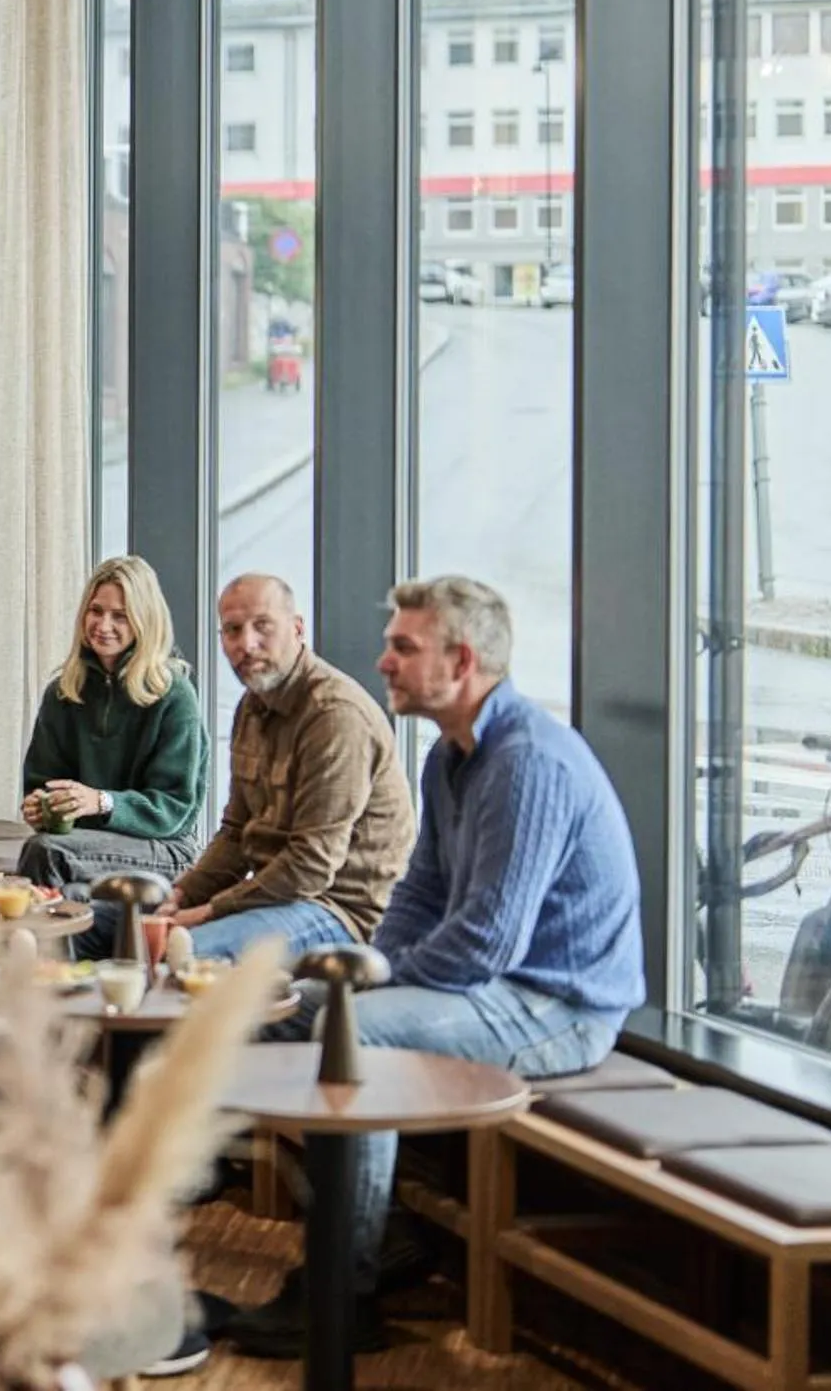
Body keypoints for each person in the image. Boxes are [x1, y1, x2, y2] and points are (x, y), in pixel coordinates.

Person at [215, 577, 644, 1358]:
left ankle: (345, 1291)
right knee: (291, 1005)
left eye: (404, 648)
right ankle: (391, 1236)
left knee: (361, 1033)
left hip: (561, 1003)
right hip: (497, 986)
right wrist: (367, 970)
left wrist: (377, 984)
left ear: (464, 659)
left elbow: (486, 942)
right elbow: (418, 894)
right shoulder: (451, 757)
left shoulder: (526, 762)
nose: (383, 661)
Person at [75, 573, 413, 962]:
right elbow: (236, 834)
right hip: (272, 897)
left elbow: (310, 868)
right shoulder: (251, 709)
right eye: (232, 630)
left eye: (262, 626)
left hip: (337, 909)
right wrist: (181, 895)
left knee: (183, 952)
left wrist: (206, 913)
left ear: (298, 629)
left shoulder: (335, 716)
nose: (246, 644)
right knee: (90, 926)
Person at [16, 555, 209, 894]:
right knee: (60, 876)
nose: (103, 625)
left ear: (143, 620)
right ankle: (45, 943)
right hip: (86, 844)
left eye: (120, 615)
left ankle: (31, 945)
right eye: (96, 611)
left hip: (167, 847)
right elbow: (42, 781)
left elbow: (175, 808)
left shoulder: (174, 695)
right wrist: (40, 807)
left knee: (45, 851)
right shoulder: (63, 693)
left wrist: (103, 802)